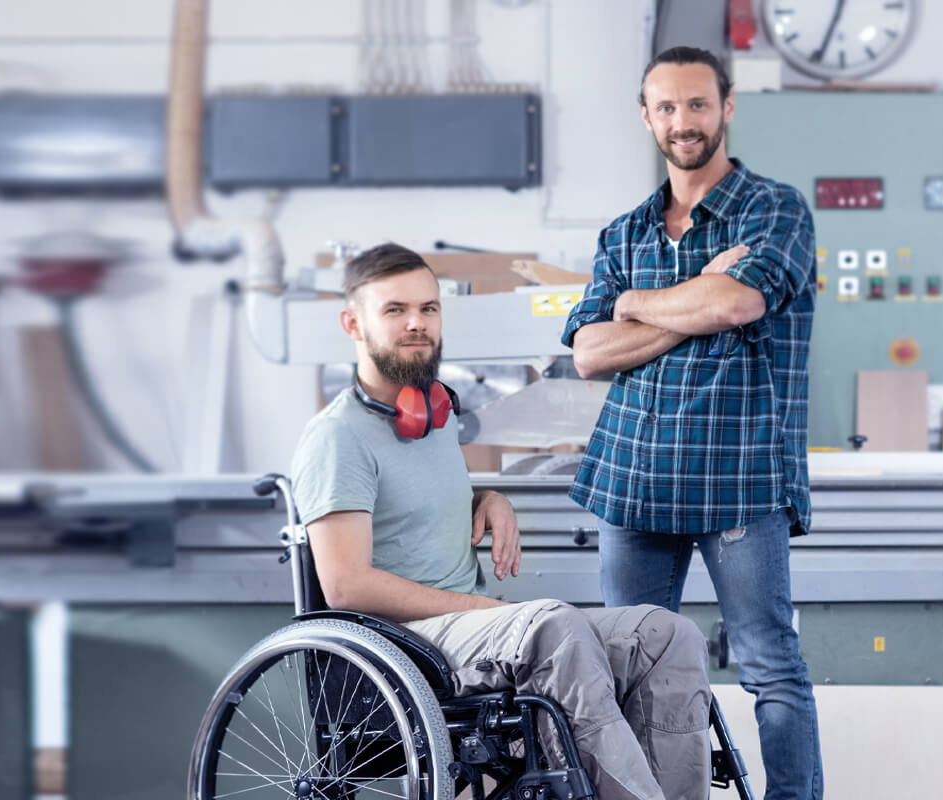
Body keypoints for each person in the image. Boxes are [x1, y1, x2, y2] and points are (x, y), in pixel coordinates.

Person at [292, 243, 713, 800]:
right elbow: (347, 584)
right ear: (353, 323)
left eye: (429, 308)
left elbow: (405, 512)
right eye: (395, 310)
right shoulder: (337, 437)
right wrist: (484, 608)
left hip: (469, 635)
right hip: (404, 646)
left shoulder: (432, 418)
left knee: (665, 633)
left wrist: (487, 498)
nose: (418, 323)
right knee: (550, 626)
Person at [559, 46, 822, 800]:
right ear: (647, 118)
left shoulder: (774, 210)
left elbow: (739, 305)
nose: (683, 122)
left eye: (697, 105)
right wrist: (695, 294)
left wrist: (638, 302)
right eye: (667, 108)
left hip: (738, 476)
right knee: (626, 668)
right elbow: (588, 354)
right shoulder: (625, 233)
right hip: (635, 481)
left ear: (727, 108)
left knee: (769, 663)